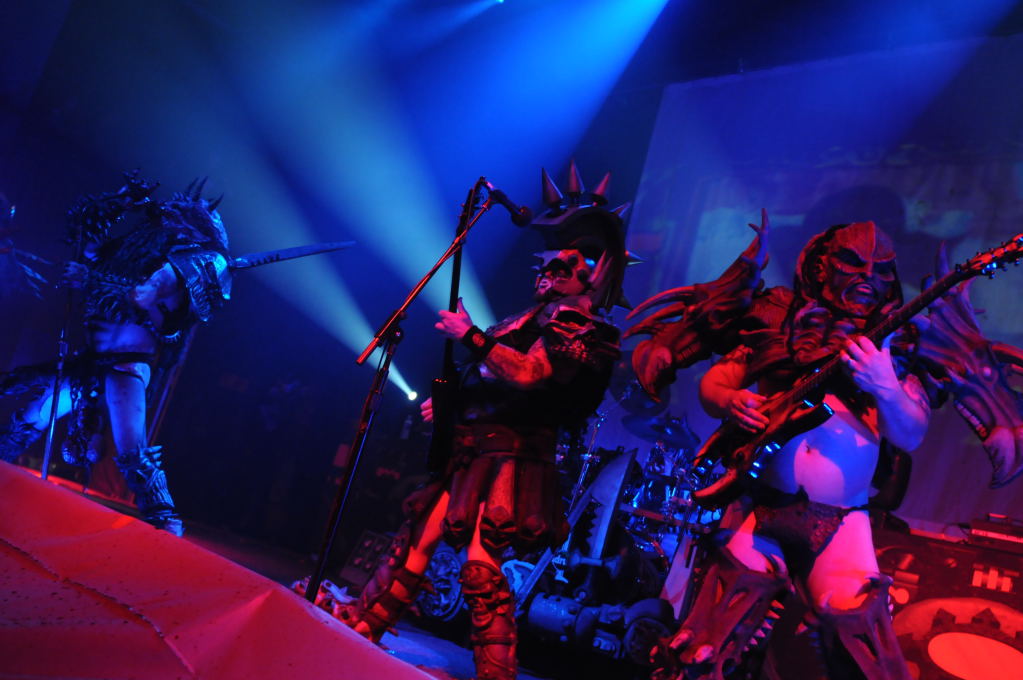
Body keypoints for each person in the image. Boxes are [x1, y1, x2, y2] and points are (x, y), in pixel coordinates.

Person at [302, 164, 629, 680]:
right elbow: (491, 377)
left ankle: (495, 673)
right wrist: (452, 405)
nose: (551, 262)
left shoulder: (578, 321)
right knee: (416, 542)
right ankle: (364, 625)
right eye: (552, 250)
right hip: (473, 449)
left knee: (480, 565)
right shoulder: (526, 318)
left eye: (571, 250)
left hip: (511, 459)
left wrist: (472, 336)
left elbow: (531, 374)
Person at [630, 218, 931, 679]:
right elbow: (718, 382)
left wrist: (885, 385)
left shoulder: (893, 338)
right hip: (762, 507)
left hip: (841, 521)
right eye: (852, 263)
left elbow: (910, 434)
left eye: (881, 269)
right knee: (709, 640)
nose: (868, 277)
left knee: (863, 645)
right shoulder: (779, 316)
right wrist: (731, 401)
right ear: (821, 265)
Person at [0, 173, 231, 536]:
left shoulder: (183, 265)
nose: (165, 214)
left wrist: (89, 279)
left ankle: (165, 522)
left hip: (127, 361)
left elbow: (140, 297)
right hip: (89, 361)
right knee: (28, 420)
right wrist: (120, 201)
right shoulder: (127, 251)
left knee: (131, 449)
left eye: (176, 214)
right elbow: (83, 235)